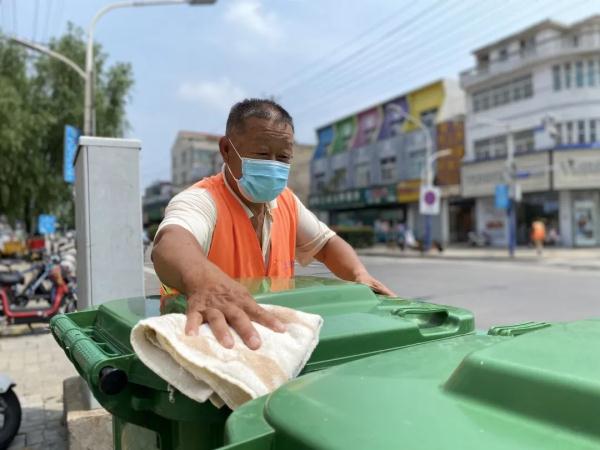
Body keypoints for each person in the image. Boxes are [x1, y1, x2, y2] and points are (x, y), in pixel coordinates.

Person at [152, 98, 395, 350]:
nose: (273, 165)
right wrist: (203, 282)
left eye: (283, 157)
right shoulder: (202, 200)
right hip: (205, 343)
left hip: (273, 343)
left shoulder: (286, 201)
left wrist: (359, 274)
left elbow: (326, 244)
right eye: (261, 154)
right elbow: (170, 243)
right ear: (226, 150)